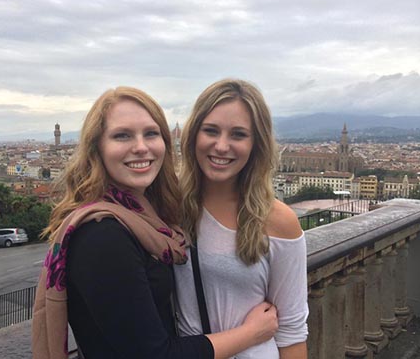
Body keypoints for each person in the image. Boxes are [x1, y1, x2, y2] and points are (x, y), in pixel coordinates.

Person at [32, 86, 279, 359]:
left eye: (151, 133)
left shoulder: (148, 217)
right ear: (97, 148)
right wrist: (253, 332)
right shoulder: (103, 236)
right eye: (122, 135)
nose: (141, 147)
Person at [174, 79, 309, 359]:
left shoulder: (277, 221)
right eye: (210, 130)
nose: (221, 146)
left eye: (238, 135)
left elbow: (292, 332)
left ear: (256, 144)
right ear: (192, 136)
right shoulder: (170, 207)